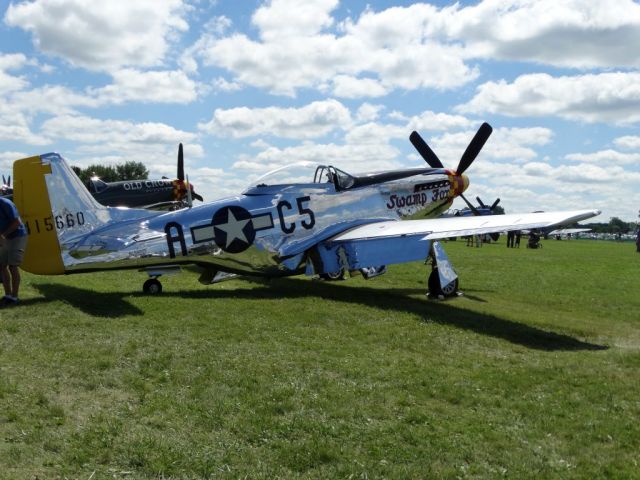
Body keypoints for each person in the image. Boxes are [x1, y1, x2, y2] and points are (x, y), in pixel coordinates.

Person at [0, 197, 28, 306]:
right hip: (3, 237)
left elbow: (17, 222)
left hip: (17, 236)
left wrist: (3, 235)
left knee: (12, 266)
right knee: (1, 266)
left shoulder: (5, 203)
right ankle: (7, 295)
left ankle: (14, 297)